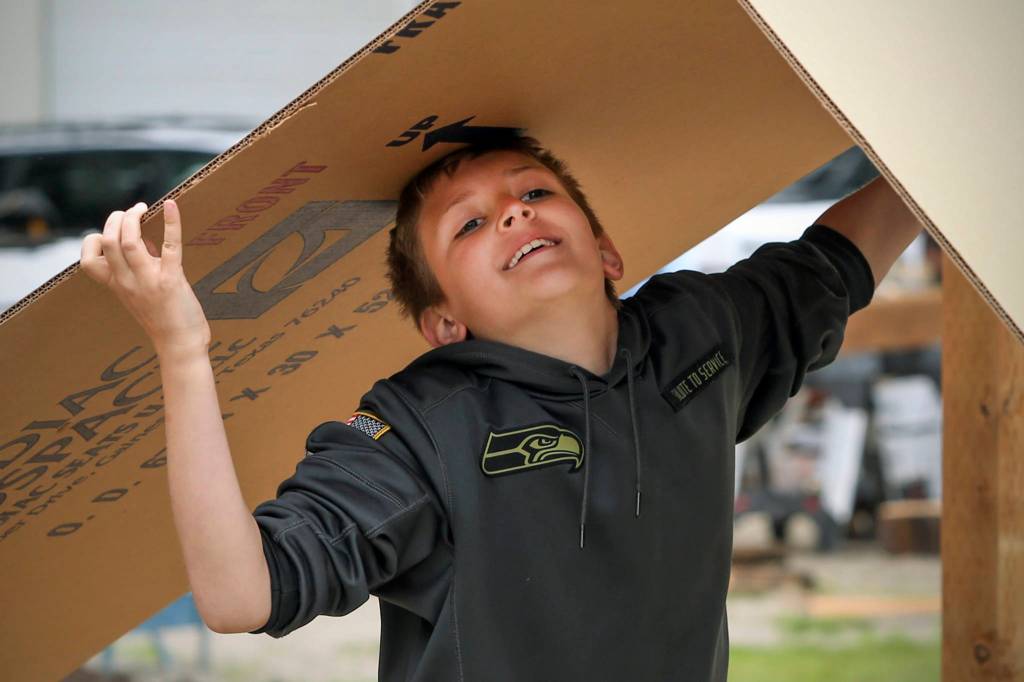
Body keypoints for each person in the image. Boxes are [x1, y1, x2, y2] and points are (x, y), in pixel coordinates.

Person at [80, 134, 923, 681]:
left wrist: (933, 152)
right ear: (444, 321)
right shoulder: (419, 428)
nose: (514, 210)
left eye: (535, 192)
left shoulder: (700, 334)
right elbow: (240, 595)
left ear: (607, 250)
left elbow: (839, 261)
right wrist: (183, 353)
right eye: (470, 225)